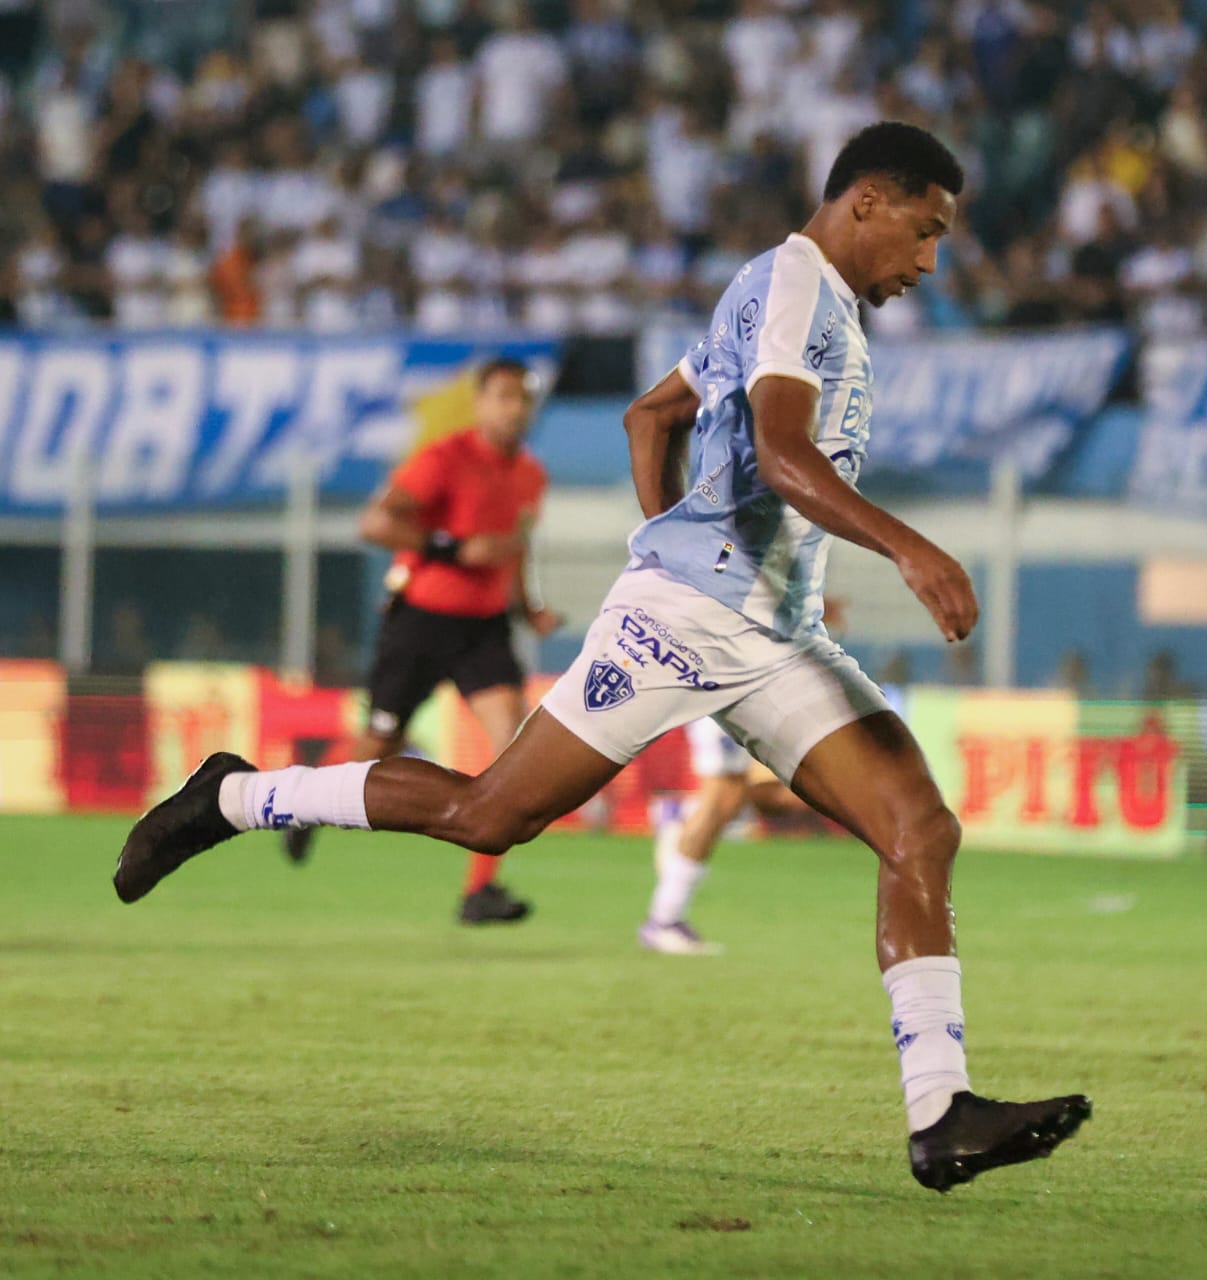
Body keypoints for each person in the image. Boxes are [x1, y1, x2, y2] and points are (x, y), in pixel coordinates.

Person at [113, 122, 1091, 1192]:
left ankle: (941, 1112)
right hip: (683, 619)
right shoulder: (798, 285)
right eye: (924, 230)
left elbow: (652, 412)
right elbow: (779, 450)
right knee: (489, 814)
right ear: (866, 200)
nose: (929, 262)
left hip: (770, 631)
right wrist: (898, 545)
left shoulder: (800, 299)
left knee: (919, 828)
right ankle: (237, 797)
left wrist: (686, 530)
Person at [280, 356, 562, 924]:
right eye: (504, 396)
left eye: (523, 398)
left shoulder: (531, 474)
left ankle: (480, 890)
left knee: (514, 745)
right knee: (380, 742)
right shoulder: (444, 458)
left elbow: (515, 545)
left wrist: (527, 606)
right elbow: (375, 523)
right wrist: (454, 549)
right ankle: (301, 798)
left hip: (483, 628)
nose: (515, 408)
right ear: (480, 403)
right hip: (422, 620)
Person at [639, 717, 812, 956]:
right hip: (722, 698)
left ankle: (684, 812)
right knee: (723, 796)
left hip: (743, 699)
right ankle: (664, 920)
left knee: (754, 796)